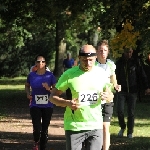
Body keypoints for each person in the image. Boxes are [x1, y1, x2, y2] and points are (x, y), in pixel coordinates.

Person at [49, 45, 114, 150]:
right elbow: (52, 97)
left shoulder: (102, 74)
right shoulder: (69, 74)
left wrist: (108, 96)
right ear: (79, 58)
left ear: (95, 57)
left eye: (90, 60)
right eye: (84, 60)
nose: (88, 63)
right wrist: (67, 103)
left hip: (95, 125)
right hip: (75, 126)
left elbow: (110, 94)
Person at [115, 47, 150, 138]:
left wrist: (146, 87)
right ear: (124, 52)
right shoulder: (119, 62)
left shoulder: (136, 62)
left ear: (132, 52)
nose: (129, 54)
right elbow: (114, 75)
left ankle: (130, 132)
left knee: (131, 112)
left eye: (130, 52)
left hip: (133, 90)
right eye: (127, 52)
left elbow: (142, 75)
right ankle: (122, 127)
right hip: (121, 90)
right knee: (120, 111)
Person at [25, 55, 56, 150]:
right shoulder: (31, 75)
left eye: (42, 62)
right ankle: (36, 140)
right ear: (35, 63)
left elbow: (56, 90)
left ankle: (43, 146)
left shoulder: (50, 76)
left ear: (45, 63)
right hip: (35, 104)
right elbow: (27, 85)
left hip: (48, 105)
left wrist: (49, 88)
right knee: (37, 126)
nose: (40, 63)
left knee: (44, 128)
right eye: (38, 62)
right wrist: (27, 93)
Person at [96, 40, 121, 150]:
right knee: (96, 128)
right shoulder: (92, 64)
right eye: (100, 50)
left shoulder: (111, 64)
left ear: (108, 52)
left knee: (105, 127)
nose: (103, 52)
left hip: (108, 99)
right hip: (95, 100)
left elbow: (113, 79)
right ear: (97, 52)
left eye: (105, 50)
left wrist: (116, 86)